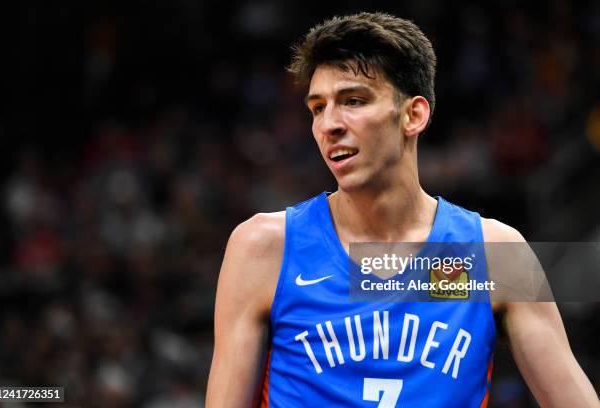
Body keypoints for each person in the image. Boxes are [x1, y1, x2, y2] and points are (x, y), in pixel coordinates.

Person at [206, 12, 599, 407]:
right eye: (317, 107)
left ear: (414, 115)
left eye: (353, 101)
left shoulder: (490, 256)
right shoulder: (264, 249)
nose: (329, 124)